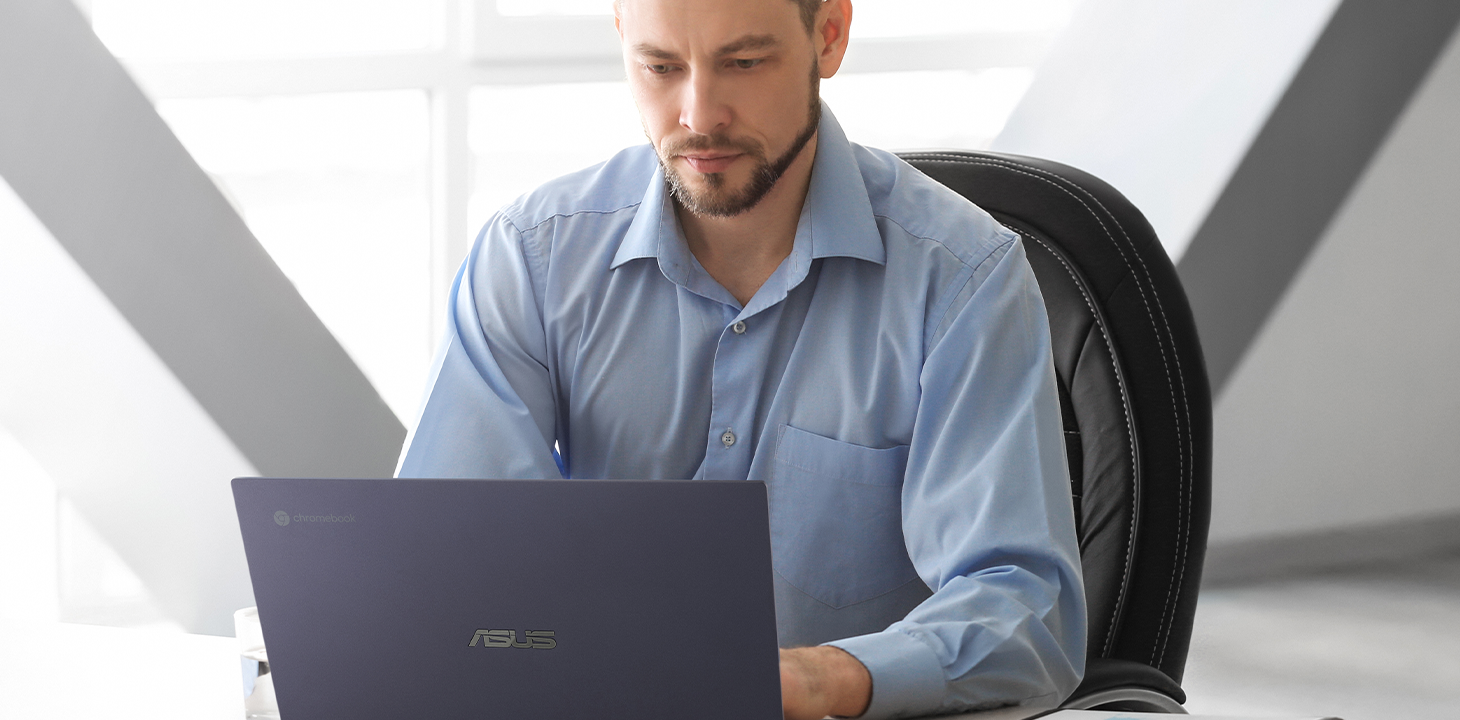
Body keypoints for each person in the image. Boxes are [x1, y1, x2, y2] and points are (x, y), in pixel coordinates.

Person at [396, 0, 1086, 717]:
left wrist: (818, 681)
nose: (699, 114)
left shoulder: (962, 277)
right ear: (622, 41)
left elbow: (1025, 610)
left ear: (830, 34)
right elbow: (447, 559)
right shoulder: (533, 258)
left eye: (744, 62)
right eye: (661, 66)